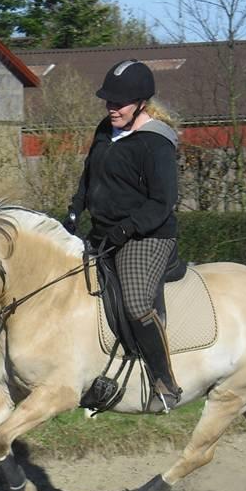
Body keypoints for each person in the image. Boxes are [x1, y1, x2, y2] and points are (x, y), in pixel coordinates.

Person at [63, 59, 182, 412]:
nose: (112, 108)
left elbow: (163, 202)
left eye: (120, 103)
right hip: (104, 233)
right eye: (108, 102)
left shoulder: (156, 143)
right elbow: (88, 179)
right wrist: (72, 213)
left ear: (141, 104)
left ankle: (165, 381)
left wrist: (127, 229)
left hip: (147, 236)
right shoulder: (105, 131)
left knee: (135, 302)